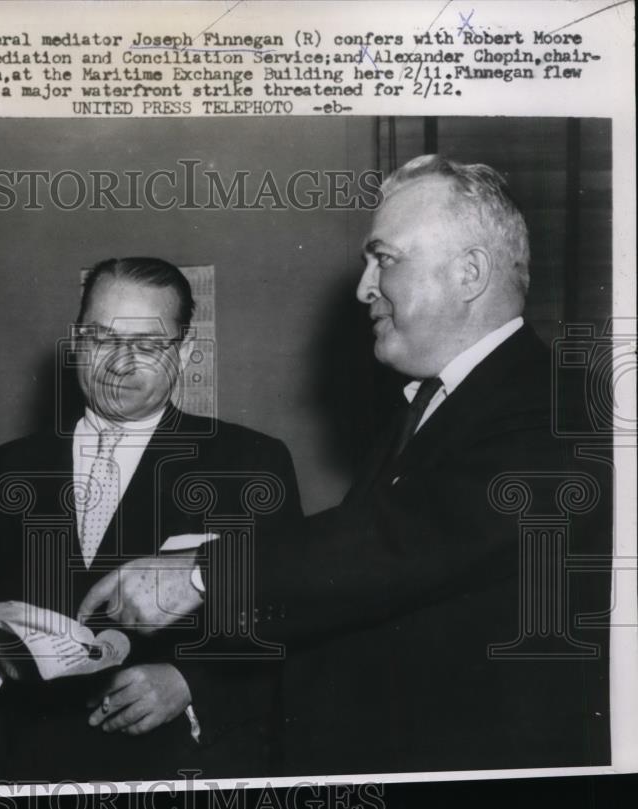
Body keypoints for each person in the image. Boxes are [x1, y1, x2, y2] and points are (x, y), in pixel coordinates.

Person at [79, 157, 612, 773]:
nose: (362, 287)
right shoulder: (431, 406)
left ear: (470, 272)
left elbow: (400, 541)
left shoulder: (555, 404)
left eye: (384, 259)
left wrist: (200, 576)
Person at [0, 257, 305, 780]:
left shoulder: (250, 463)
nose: (119, 365)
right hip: (28, 769)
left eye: (148, 345)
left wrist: (191, 683)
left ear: (185, 352)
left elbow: (290, 619)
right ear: (78, 340)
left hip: (181, 769)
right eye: (102, 338)